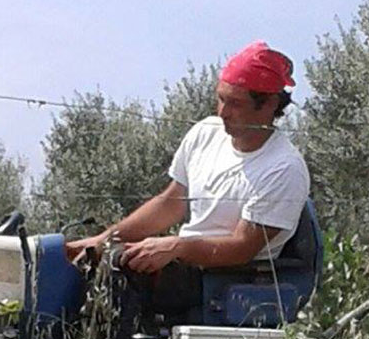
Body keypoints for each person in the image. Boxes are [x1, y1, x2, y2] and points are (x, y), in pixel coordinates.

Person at [65, 41, 310, 293]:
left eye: (235, 103)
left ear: (269, 104)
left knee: (112, 271)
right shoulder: (206, 132)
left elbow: (242, 247)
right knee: (64, 256)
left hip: (224, 282)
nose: (223, 112)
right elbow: (170, 203)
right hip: (182, 263)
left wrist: (178, 247)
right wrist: (102, 241)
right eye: (220, 99)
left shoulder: (284, 168)